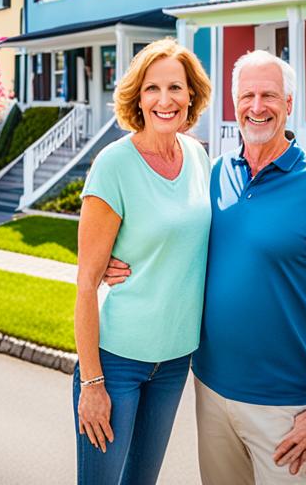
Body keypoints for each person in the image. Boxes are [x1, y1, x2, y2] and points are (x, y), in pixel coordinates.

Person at [108, 49, 306, 484]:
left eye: (269, 95)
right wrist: (110, 261)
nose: (257, 106)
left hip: (287, 409)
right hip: (210, 393)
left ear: (289, 104)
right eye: (247, 95)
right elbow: (165, 231)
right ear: (234, 103)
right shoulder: (210, 174)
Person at [73, 37, 212, 485]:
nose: (165, 99)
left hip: (174, 361)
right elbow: (85, 285)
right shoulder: (114, 165)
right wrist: (92, 383)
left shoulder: (198, 156)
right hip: (116, 362)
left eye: (175, 87)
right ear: (138, 97)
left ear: (192, 94)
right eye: (153, 88)